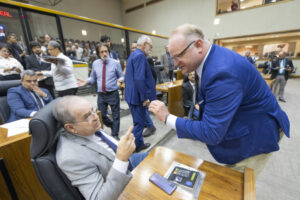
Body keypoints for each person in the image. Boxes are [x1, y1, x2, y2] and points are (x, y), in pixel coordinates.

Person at [149, 24, 290, 176]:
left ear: (198, 45)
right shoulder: (207, 59)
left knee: (235, 187)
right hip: (243, 122)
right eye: (172, 57)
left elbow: (211, 132)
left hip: (255, 135)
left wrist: (167, 117)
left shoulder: (223, 72)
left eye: (179, 56)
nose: (175, 63)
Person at [54, 96, 148, 200]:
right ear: (71, 128)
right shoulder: (70, 158)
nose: (95, 117)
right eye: (87, 116)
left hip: (128, 162)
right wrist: (121, 159)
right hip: (120, 183)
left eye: (93, 110)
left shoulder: (87, 128)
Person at [78, 44, 124, 140]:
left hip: (113, 93)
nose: (104, 53)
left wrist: (120, 81)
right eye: (102, 52)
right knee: (101, 115)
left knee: (116, 115)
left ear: (109, 52)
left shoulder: (115, 63)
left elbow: (121, 76)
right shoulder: (95, 63)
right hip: (101, 95)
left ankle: (115, 134)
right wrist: (86, 81)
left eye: (106, 51)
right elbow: (92, 78)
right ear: (98, 53)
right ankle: (112, 125)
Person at [125, 35, 157, 152]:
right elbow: (139, 79)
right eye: (150, 46)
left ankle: (139, 144)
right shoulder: (140, 56)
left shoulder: (133, 55)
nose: (150, 49)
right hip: (137, 97)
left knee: (137, 122)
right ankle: (130, 148)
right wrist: (144, 98)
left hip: (132, 95)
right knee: (139, 124)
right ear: (144, 44)